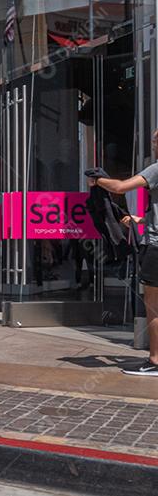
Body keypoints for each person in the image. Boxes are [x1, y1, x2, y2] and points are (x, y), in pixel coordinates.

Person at [91, 132, 158, 376]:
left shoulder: (156, 169)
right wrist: (141, 220)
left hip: (156, 247)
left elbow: (120, 187)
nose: (154, 145)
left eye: (155, 141)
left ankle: (155, 361)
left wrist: (97, 180)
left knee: (153, 306)